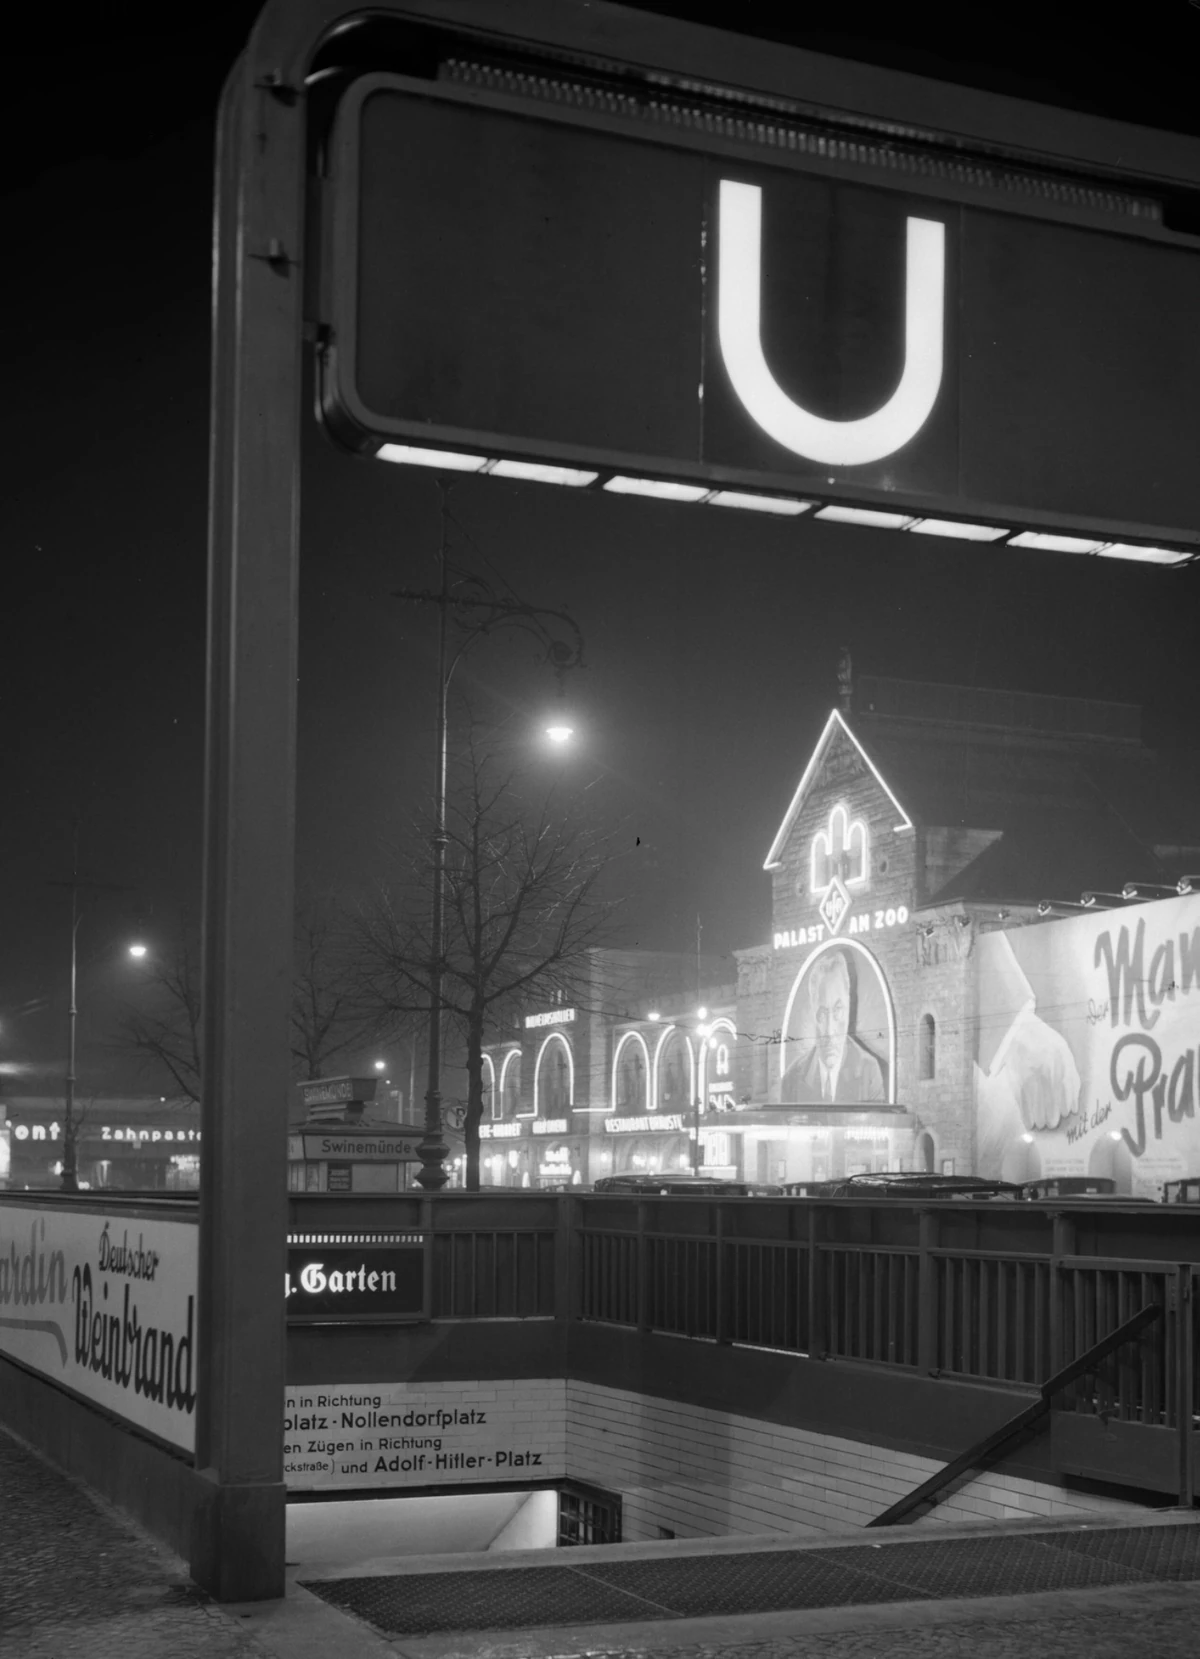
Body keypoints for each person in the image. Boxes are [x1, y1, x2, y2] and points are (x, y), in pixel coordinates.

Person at [781, 950, 885, 1105]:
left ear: (849, 1006)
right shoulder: (791, 1080)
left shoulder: (869, 1071)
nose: (830, 1031)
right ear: (812, 1012)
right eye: (822, 1014)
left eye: (838, 1010)